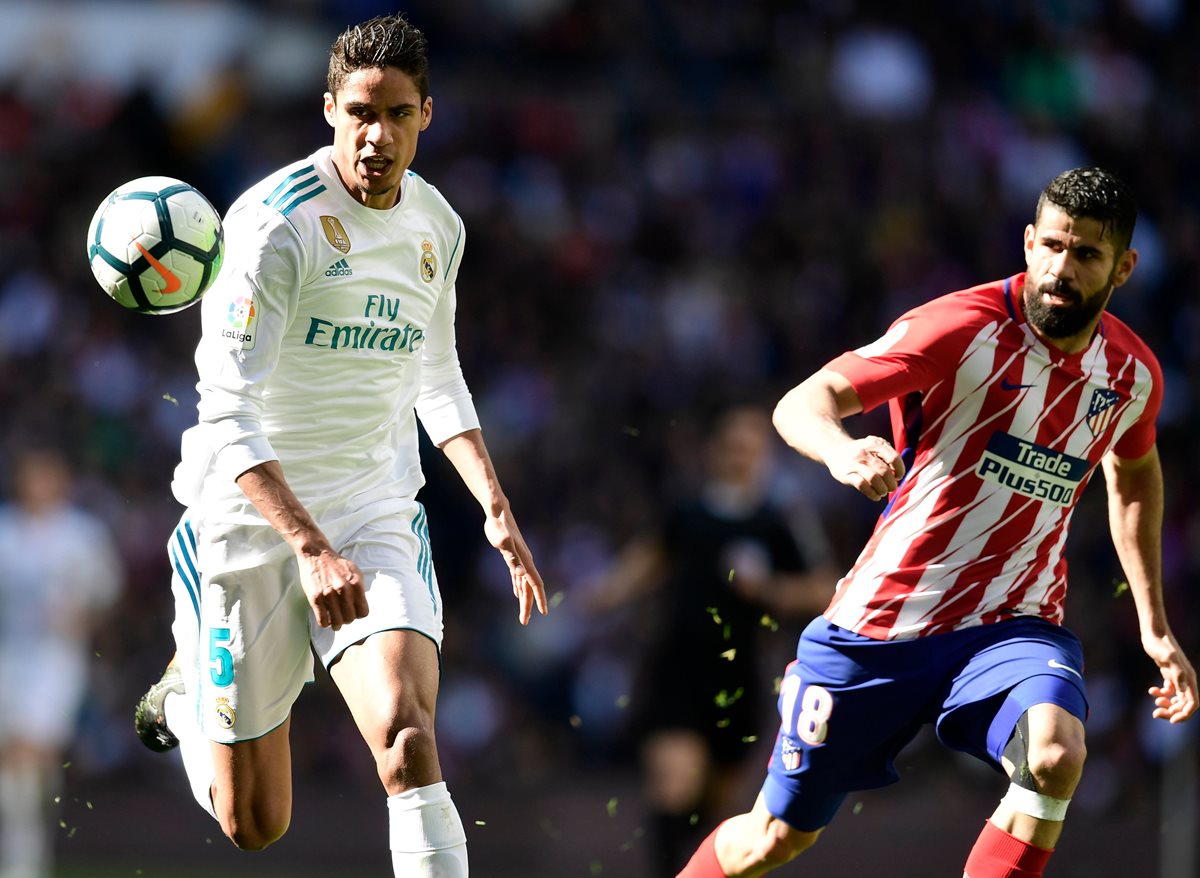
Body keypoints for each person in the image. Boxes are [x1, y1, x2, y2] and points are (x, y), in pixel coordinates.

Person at [677, 167, 1197, 878]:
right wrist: (842, 448)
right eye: (1050, 246)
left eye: (1085, 256)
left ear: (1125, 267)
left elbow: (1134, 474)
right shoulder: (960, 326)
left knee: (1055, 754)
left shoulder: (1131, 376)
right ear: (1027, 241)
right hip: (881, 626)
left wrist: (1153, 623)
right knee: (771, 840)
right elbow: (805, 400)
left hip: (1012, 624)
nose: (1061, 269)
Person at [132, 15, 547, 878]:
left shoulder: (439, 228)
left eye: (398, 114)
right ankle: (187, 705)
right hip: (249, 521)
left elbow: (438, 374)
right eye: (361, 111)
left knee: (405, 732)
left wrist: (495, 509)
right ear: (329, 109)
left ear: (426, 115)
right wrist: (307, 546)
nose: (377, 135)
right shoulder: (273, 229)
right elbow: (226, 413)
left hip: (371, 508)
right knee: (257, 824)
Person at [591, 405, 834, 874]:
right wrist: (594, 599)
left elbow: (825, 587)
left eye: (750, 448)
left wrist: (768, 589)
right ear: (714, 451)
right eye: (731, 446)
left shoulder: (777, 522)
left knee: (715, 806)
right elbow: (643, 564)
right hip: (677, 669)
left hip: (739, 674)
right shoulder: (685, 512)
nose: (739, 457)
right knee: (675, 784)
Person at [0, 448, 122, 878]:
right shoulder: (6, 530)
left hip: (56, 659)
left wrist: (83, 621)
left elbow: (107, 596)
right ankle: (24, 851)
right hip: (9, 652)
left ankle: (23, 858)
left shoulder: (81, 535)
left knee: (31, 750)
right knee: (14, 757)